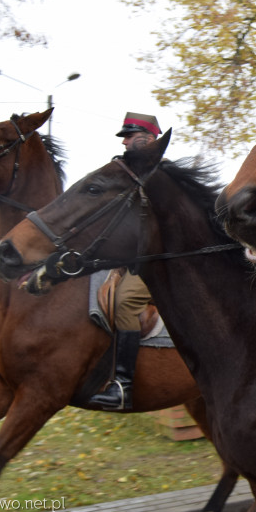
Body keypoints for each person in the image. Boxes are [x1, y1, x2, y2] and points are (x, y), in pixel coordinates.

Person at [88, 112, 162, 410]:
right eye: (126, 136)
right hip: (128, 259)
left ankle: (122, 385)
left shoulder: (160, 175)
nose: (125, 140)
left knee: (125, 302)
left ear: (150, 139)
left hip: (157, 262)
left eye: (130, 136)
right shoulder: (129, 174)